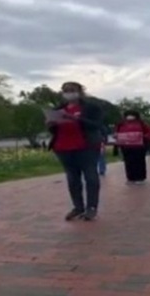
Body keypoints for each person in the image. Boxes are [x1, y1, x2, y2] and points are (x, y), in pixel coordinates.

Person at [47, 81, 104, 221]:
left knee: (90, 176)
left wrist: (77, 119)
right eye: (65, 90)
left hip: (86, 147)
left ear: (80, 91)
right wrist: (50, 124)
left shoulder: (91, 107)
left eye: (72, 90)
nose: (68, 92)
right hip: (63, 147)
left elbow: (97, 125)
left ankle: (91, 207)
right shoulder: (59, 108)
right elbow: (54, 130)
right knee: (72, 179)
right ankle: (78, 207)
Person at [114, 110, 150, 184]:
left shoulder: (141, 124)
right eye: (128, 115)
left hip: (139, 147)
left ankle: (140, 177)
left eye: (132, 115)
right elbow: (116, 133)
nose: (130, 117)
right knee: (128, 163)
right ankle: (130, 178)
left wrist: (144, 137)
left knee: (139, 162)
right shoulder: (121, 124)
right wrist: (117, 137)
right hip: (126, 147)